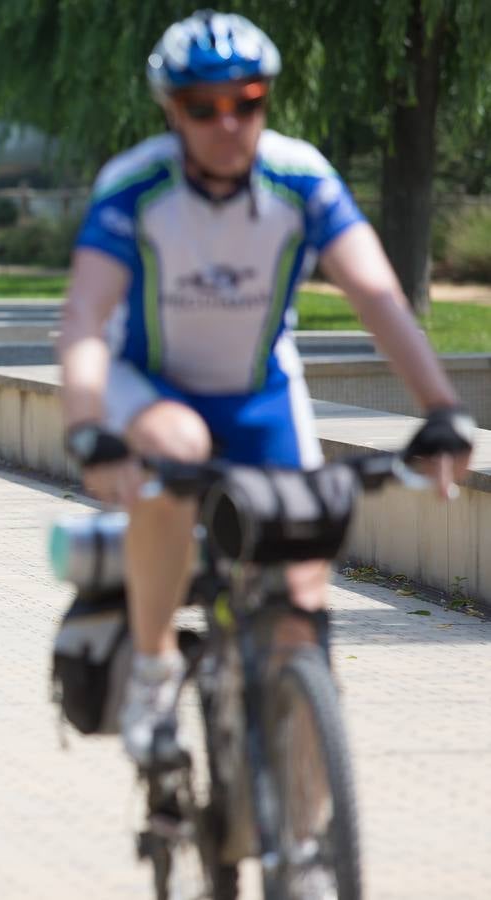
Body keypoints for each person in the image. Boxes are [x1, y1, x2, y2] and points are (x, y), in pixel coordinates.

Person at [58, 11, 475, 767]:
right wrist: (90, 427)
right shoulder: (136, 186)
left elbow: (379, 296)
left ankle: (307, 854)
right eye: (202, 107)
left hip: (258, 395)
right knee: (175, 453)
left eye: (245, 102)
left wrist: (442, 409)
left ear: (265, 102)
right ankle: (154, 672)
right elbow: (85, 318)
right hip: (149, 383)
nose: (227, 124)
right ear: (170, 110)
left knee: (302, 606)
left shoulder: (302, 177)